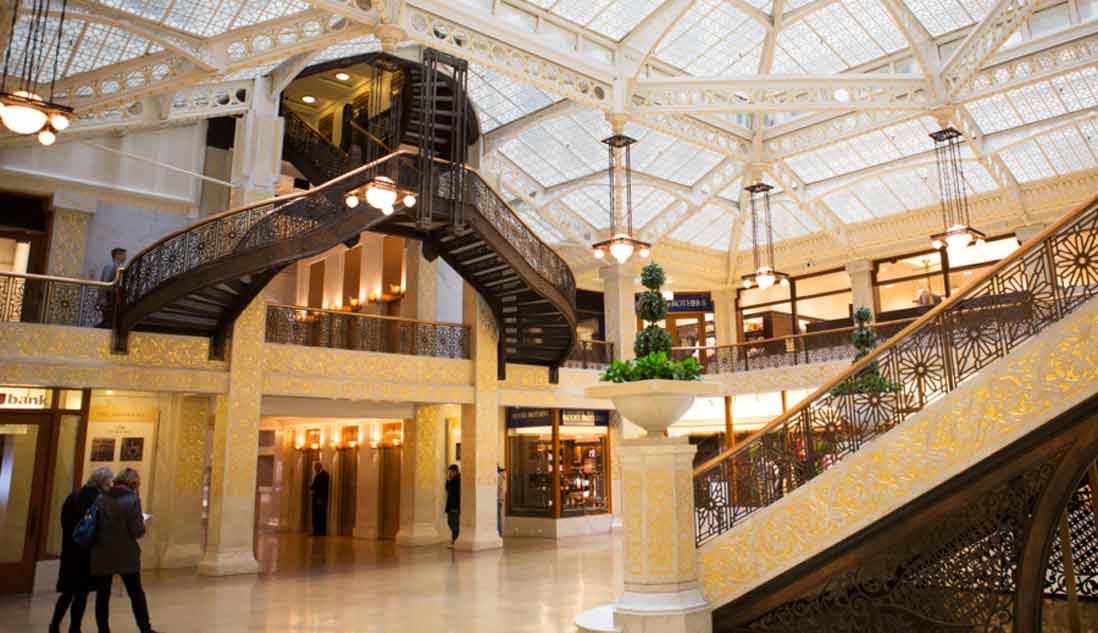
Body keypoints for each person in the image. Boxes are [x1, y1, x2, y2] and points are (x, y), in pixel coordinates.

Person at [91, 468, 157, 633]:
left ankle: (103, 630)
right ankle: (145, 628)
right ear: (134, 484)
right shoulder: (132, 500)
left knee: (102, 595)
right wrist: (141, 521)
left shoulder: (101, 498)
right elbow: (137, 531)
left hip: (102, 551)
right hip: (125, 553)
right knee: (135, 592)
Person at [50, 467, 113, 633]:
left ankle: (54, 625)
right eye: (109, 482)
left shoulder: (74, 496)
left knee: (68, 592)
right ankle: (74, 627)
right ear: (103, 483)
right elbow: (102, 527)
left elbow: (64, 522)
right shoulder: (99, 500)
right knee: (81, 593)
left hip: (71, 550)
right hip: (86, 552)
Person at [96, 248, 126, 328]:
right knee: (107, 322)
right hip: (109, 298)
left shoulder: (117, 267)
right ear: (117, 255)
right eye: (124, 255)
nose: (125, 257)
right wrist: (102, 298)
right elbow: (105, 283)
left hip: (112, 298)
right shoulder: (110, 266)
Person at [309, 462, 330, 537]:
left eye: (315, 468)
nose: (315, 469)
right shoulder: (317, 476)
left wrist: (319, 498)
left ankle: (321, 531)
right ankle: (316, 530)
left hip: (320, 499)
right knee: (316, 515)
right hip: (316, 498)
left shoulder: (324, 475)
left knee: (320, 515)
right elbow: (315, 486)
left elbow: (323, 488)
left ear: (319, 467)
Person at [445, 464, 461, 546]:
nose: (449, 473)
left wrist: (449, 481)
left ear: (455, 471)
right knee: (450, 522)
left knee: (454, 523)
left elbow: (452, 490)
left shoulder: (458, 479)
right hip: (451, 505)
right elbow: (447, 489)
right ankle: (455, 541)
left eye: (450, 472)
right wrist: (448, 480)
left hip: (455, 505)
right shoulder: (452, 479)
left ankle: (455, 541)